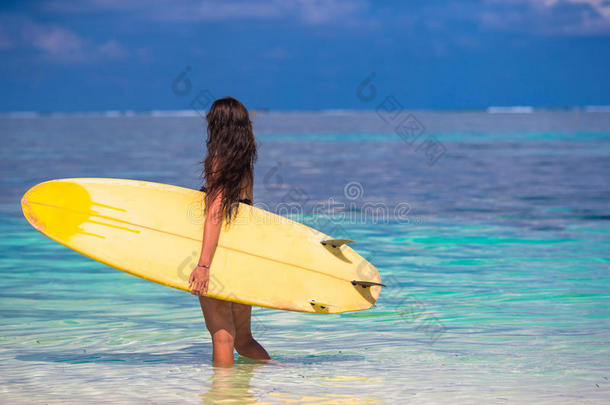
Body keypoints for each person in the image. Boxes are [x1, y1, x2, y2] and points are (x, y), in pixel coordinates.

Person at [188, 97, 270, 366]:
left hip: (220, 257)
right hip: (243, 256)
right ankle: (284, 373)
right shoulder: (246, 164)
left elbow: (214, 213)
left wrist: (203, 265)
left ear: (217, 126)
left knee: (223, 337)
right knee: (243, 339)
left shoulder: (218, 162)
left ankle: (223, 396)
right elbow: (247, 214)